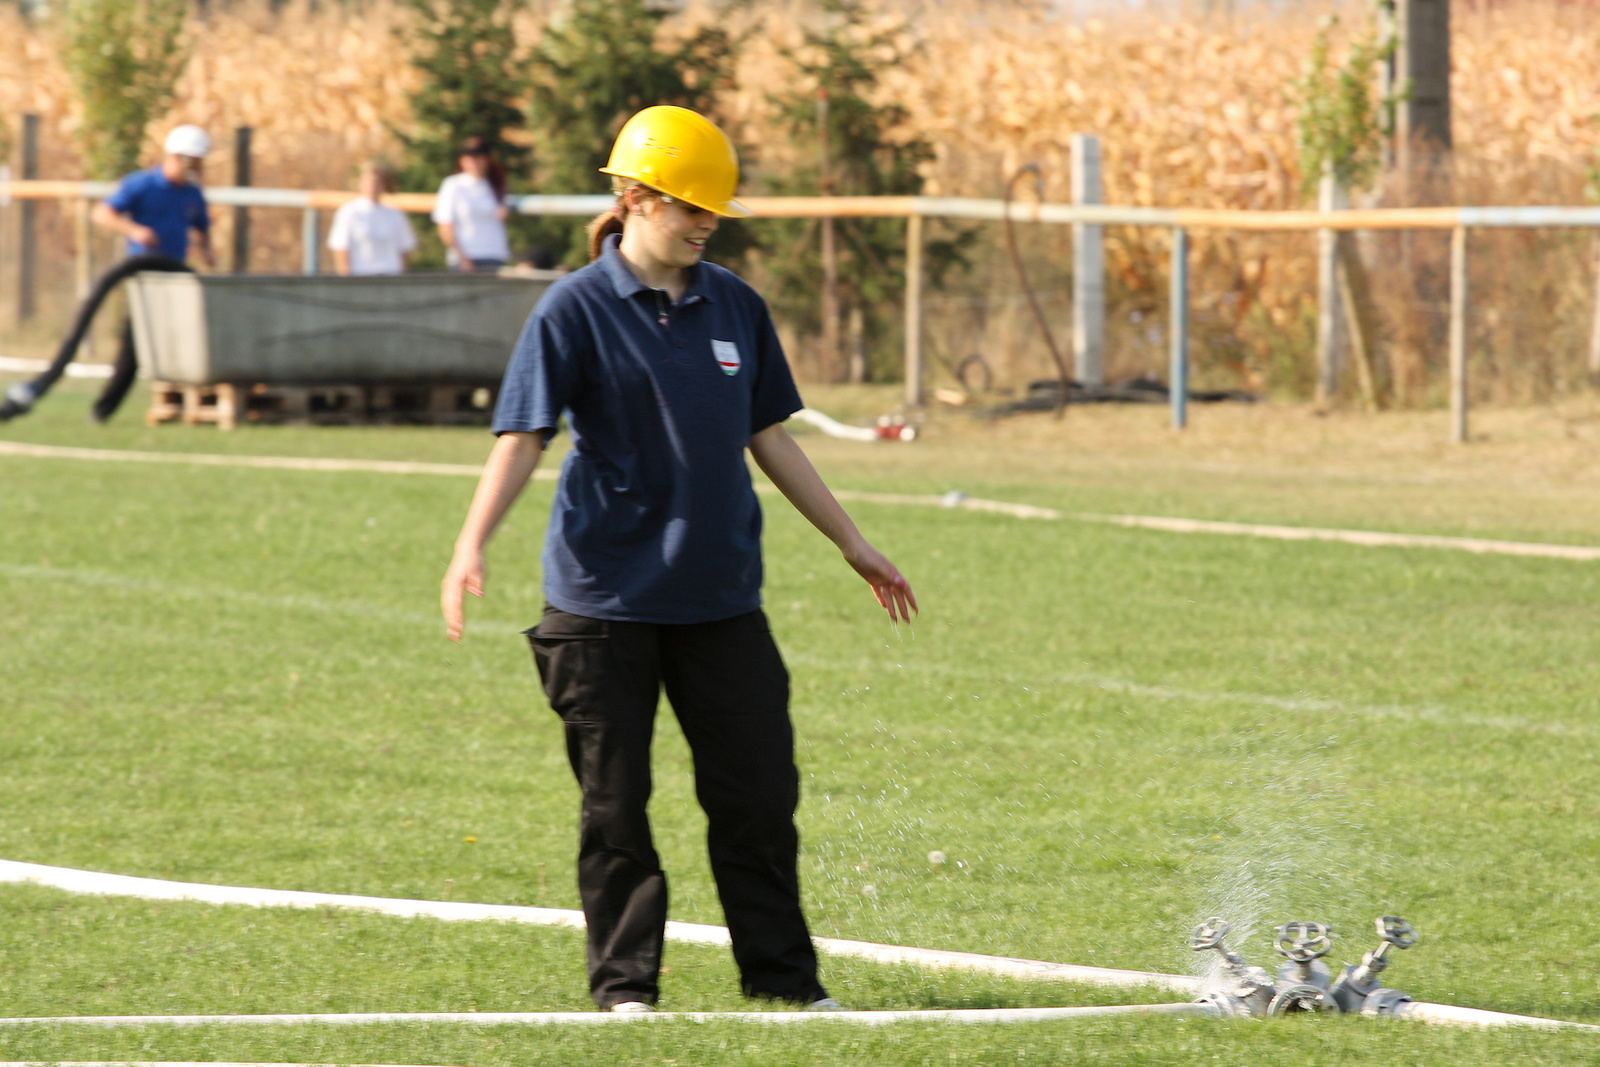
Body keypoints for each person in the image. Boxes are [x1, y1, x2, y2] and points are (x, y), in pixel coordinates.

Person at [440, 106, 917, 1013]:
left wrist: (853, 542)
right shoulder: (572, 309)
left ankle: (784, 982)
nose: (704, 222)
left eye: (713, 209)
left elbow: (767, 437)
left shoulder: (734, 303)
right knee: (616, 808)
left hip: (720, 599)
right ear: (634, 197)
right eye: (688, 205)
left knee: (759, 798)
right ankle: (626, 987)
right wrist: (471, 544)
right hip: (602, 601)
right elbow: (522, 435)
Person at [90, 124, 216, 422]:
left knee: (190, 339)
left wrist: (206, 250)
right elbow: (102, 213)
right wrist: (134, 230)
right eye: (194, 161)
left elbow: (202, 227)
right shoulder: (142, 185)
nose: (198, 168)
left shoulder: (193, 193)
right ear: (178, 157)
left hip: (179, 278)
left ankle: (190, 405)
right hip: (146, 278)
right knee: (132, 347)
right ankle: (102, 411)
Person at [431, 135, 511, 273]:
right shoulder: (453, 185)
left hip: (493, 255)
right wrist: (462, 258)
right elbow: (445, 225)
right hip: (466, 256)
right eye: (469, 157)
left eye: (478, 157)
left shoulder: (496, 185)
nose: (474, 162)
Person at [327, 162, 416, 276]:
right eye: (368, 182)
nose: (372, 187)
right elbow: (340, 249)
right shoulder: (349, 212)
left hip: (390, 276)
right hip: (360, 277)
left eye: (376, 183)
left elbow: (404, 250)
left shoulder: (395, 214)